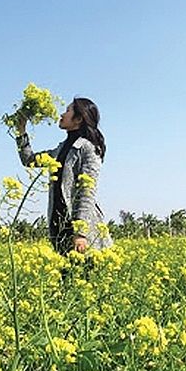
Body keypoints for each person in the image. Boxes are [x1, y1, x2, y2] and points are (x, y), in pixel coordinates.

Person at [14, 98, 112, 255]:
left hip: (81, 231)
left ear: (79, 119)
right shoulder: (60, 150)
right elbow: (29, 160)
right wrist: (21, 130)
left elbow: (87, 191)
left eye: (67, 111)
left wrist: (80, 233)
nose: (62, 114)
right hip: (59, 225)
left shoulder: (88, 148)